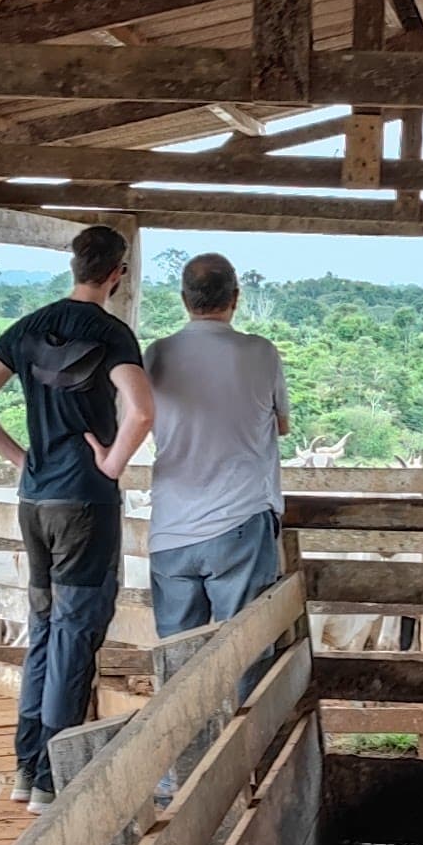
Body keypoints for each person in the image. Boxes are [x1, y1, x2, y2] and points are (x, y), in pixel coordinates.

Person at [0, 226, 155, 807]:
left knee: (43, 629)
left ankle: (25, 768)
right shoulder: (113, 334)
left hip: (35, 502)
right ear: (118, 273)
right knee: (75, 630)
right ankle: (51, 778)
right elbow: (140, 411)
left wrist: (22, 458)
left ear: (74, 266)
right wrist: (112, 464)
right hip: (86, 501)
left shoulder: (27, 327)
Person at [141, 253, 289, 636]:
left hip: (171, 526)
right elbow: (282, 425)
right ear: (235, 298)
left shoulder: (157, 354)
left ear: (184, 299)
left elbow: (140, 418)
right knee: (243, 648)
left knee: (177, 656)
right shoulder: (261, 352)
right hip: (240, 520)